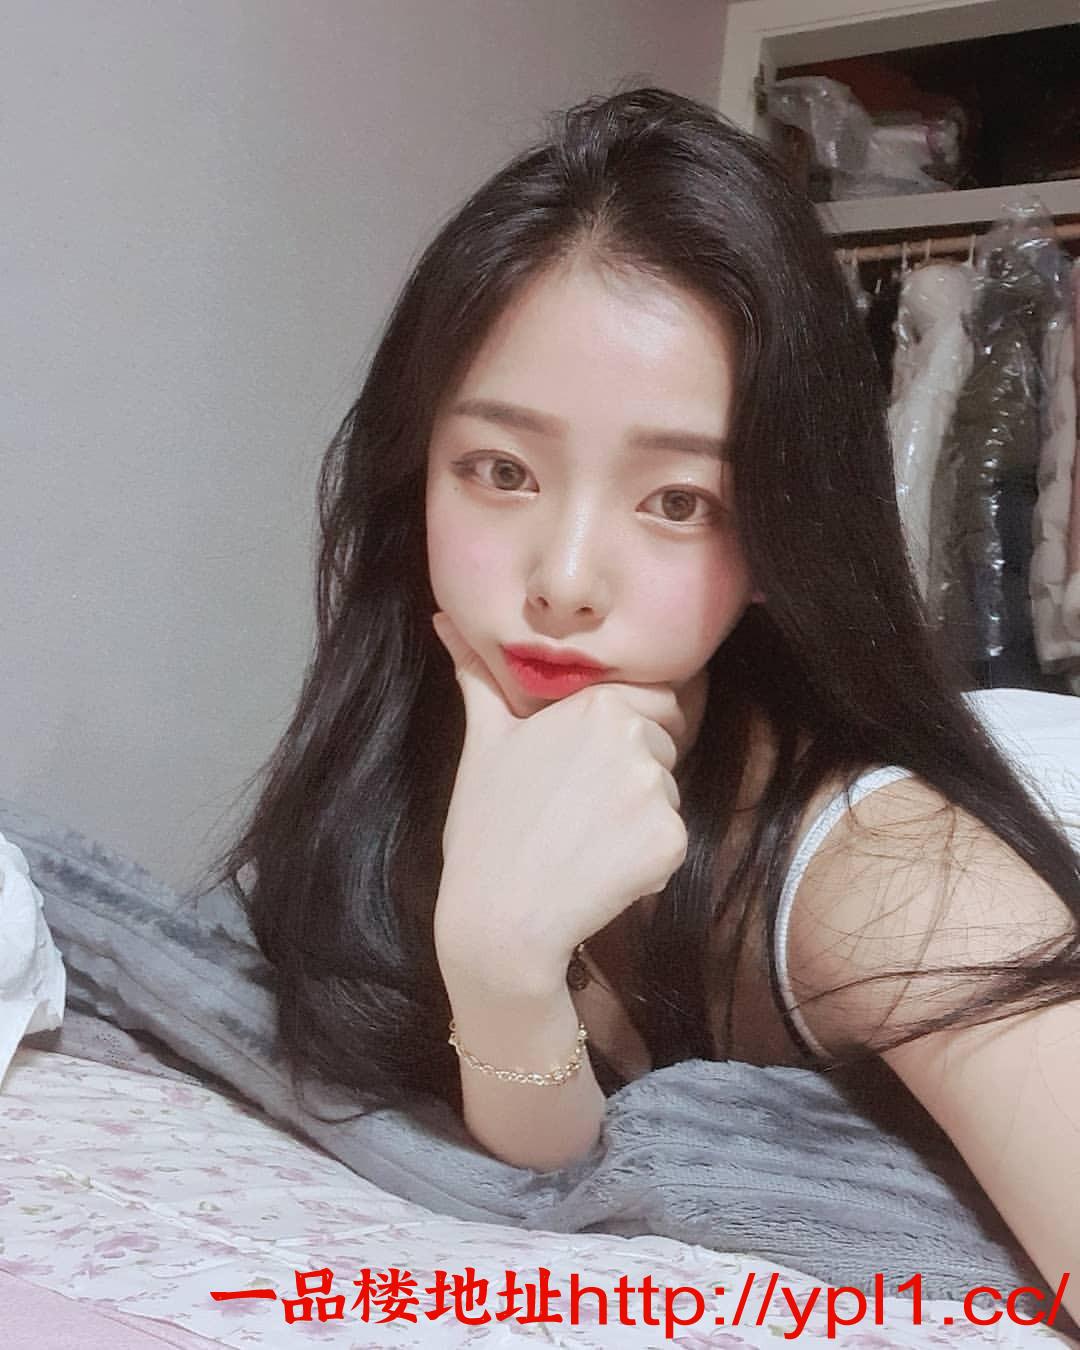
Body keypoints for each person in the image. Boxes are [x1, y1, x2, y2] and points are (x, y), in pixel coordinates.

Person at [198, 86, 1080, 1319]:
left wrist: (501, 968)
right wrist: (503, 976)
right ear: (415, 477)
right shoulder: (416, 743)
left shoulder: (895, 882)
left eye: (678, 502)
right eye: (501, 470)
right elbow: (546, 1160)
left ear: (781, 539)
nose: (563, 581)